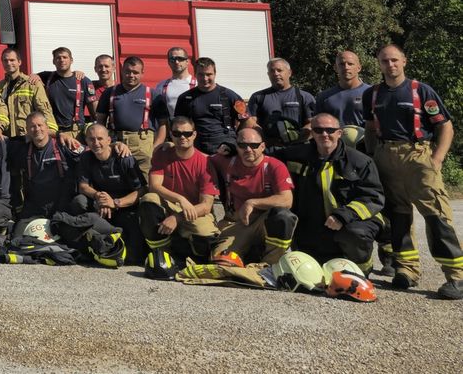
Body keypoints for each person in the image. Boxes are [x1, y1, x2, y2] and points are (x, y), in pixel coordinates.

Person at [363, 45, 463, 299]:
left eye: (395, 60)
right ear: (379, 63)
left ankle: (456, 275)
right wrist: (374, 157)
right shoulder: (372, 94)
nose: (390, 65)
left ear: (404, 61)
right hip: (386, 156)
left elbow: (445, 126)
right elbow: (370, 129)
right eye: (385, 61)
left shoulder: (421, 90)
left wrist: (437, 159)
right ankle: (406, 269)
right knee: (397, 215)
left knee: (436, 215)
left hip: (418, 155)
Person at [270, 113, 385, 272]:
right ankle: (269, 263)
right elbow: (261, 156)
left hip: (348, 222)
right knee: (278, 217)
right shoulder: (295, 155)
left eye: (330, 130)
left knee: (356, 233)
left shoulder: (360, 161)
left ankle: (361, 270)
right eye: (318, 130)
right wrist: (234, 147)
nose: (324, 134)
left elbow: (373, 197)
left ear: (339, 133)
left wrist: (343, 216)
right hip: (312, 226)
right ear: (312, 132)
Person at [209, 126, 296, 264]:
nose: (248, 149)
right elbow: (196, 158)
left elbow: (286, 200)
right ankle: (249, 255)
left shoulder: (275, 166)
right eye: (243, 145)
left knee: (284, 217)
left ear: (262, 146)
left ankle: (269, 264)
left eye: (254, 145)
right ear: (236, 147)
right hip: (235, 224)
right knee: (222, 263)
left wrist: (252, 202)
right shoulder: (226, 162)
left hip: (262, 223)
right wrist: (170, 145)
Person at [140, 116, 220, 260]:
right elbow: (154, 186)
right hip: (170, 204)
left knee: (206, 241)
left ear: (194, 135)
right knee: (149, 199)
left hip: (194, 210)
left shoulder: (205, 162)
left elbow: (206, 206)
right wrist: (180, 199)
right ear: (171, 135)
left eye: (187, 134)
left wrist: (177, 217)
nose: (182, 137)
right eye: (177, 133)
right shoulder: (162, 154)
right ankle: (161, 253)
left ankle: (183, 247)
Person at [74, 122, 145, 261]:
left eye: (100, 139)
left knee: (134, 257)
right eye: (91, 139)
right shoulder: (86, 157)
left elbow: (142, 190)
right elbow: (83, 186)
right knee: (79, 201)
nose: (96, 143)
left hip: (125, 206)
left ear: (109, 140)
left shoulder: (123, 158)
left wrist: (116, 202)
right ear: (86, 141)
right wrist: (98, 196)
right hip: (101, 205)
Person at [9, 112, 81, 225]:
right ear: (27, 131)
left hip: (62, 206)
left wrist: (113, 145)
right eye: (32, 126)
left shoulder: (64, 144)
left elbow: (91, 153)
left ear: (47, 127)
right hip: (35, 208)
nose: (37, 129)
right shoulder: (21, 149)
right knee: (17, 237)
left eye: (40, 125)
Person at [95, 56, 160, 180]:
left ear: (142, 73)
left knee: (144, 181)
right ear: (121, 71)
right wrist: (105, 143)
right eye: (127, 71)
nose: (131, 75)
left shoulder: (152, 94)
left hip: (143, 144)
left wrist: (155, 148)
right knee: (116, 178)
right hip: (116, 142)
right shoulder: (109, 93)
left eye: (135, 72)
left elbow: (163, 125)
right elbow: (100, 122)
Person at [171, 57, 245, 154]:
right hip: (196, 149)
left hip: (225, 148)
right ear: (195, 75)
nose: (205, 78)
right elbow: (178, 126)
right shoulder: (185, 98)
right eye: (201, 74)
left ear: (215, 74)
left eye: (209, 74)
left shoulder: (230, 96)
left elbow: (247, 121)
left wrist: (235, 141)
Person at [247, 58, 316, 148]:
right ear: (268, 74)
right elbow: (250, 123)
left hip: (297, 149)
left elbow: (314, 124)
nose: (276, 73)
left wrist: (296, 137)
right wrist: (267, 140)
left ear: (289, 72)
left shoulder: (304, 97)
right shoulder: (258, 97)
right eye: (272, 71)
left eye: (279, 70)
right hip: (268, 150)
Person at [0, 48, 53, 138]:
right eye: (5, 60)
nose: (8, 63)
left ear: (19, 62)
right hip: (6, 138)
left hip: (27, 137)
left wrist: (51, 132)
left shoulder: (32, 84)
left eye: (12, 60)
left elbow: (45, 110)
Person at [39, 47, 95, 135]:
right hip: (53, 132)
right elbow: (29, 78)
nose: (61, 60)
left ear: (71, 60)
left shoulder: (83, 80)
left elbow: (94, 111)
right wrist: (34, 76)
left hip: (76, 132)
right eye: (58, 58)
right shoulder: (46, 77)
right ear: (53, 61)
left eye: (65, 57)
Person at [315, 50, 370, 133]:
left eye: (350, 64)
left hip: (366, 144)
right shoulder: (323, 97)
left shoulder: (372, 93)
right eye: (341, 64)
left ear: (359, 68)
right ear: (335, 68)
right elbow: (318, 127)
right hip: (336, 144)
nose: (346, 67)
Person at [154, 47, 196, 119]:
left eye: (180, 58)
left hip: (193, 128)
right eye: (173, 59)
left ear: (187, 61)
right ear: (168, 62)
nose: (176, 62)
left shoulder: (197, 84)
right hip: (170, 128)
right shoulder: (161, 86)